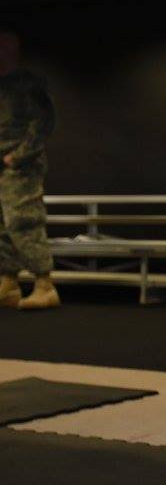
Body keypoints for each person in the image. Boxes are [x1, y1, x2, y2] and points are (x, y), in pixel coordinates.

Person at [0, 31, 58, 310]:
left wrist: (18, 156)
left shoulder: (27, 84)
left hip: (20, 165)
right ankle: (8, 283)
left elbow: (44, 122)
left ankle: (44, 284)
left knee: (23, 220)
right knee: (1, 225)